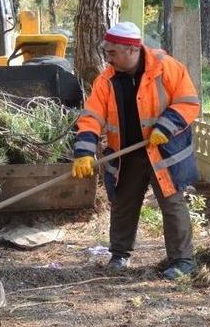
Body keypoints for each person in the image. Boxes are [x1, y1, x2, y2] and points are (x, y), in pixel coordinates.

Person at [71, 22, 200, 280]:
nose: (108, 58)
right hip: (126, 154)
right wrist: (84, 152)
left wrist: (166, 125)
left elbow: (188, 102)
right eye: (106, 52)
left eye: (112, 53)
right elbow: (91, 117)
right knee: (123, 204)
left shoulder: (167, 68)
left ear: (131, 50)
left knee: (173, 205)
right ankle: (119, 255)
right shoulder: (106, 80)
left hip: (163, 152)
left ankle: (183, 261)